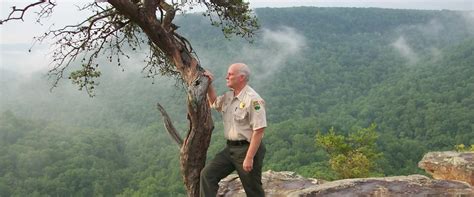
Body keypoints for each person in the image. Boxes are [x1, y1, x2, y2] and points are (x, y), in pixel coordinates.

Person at [200, 63, 267, 197]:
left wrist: (249, 158)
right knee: (207, 175)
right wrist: (208, 84)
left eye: (230, 74)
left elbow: (259, 130)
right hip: (230, 149)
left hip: (247, 149)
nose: (226, 77)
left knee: (253, 190)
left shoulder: (253, 100)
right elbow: (214, 103)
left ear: (241, 77)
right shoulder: (229, 96)